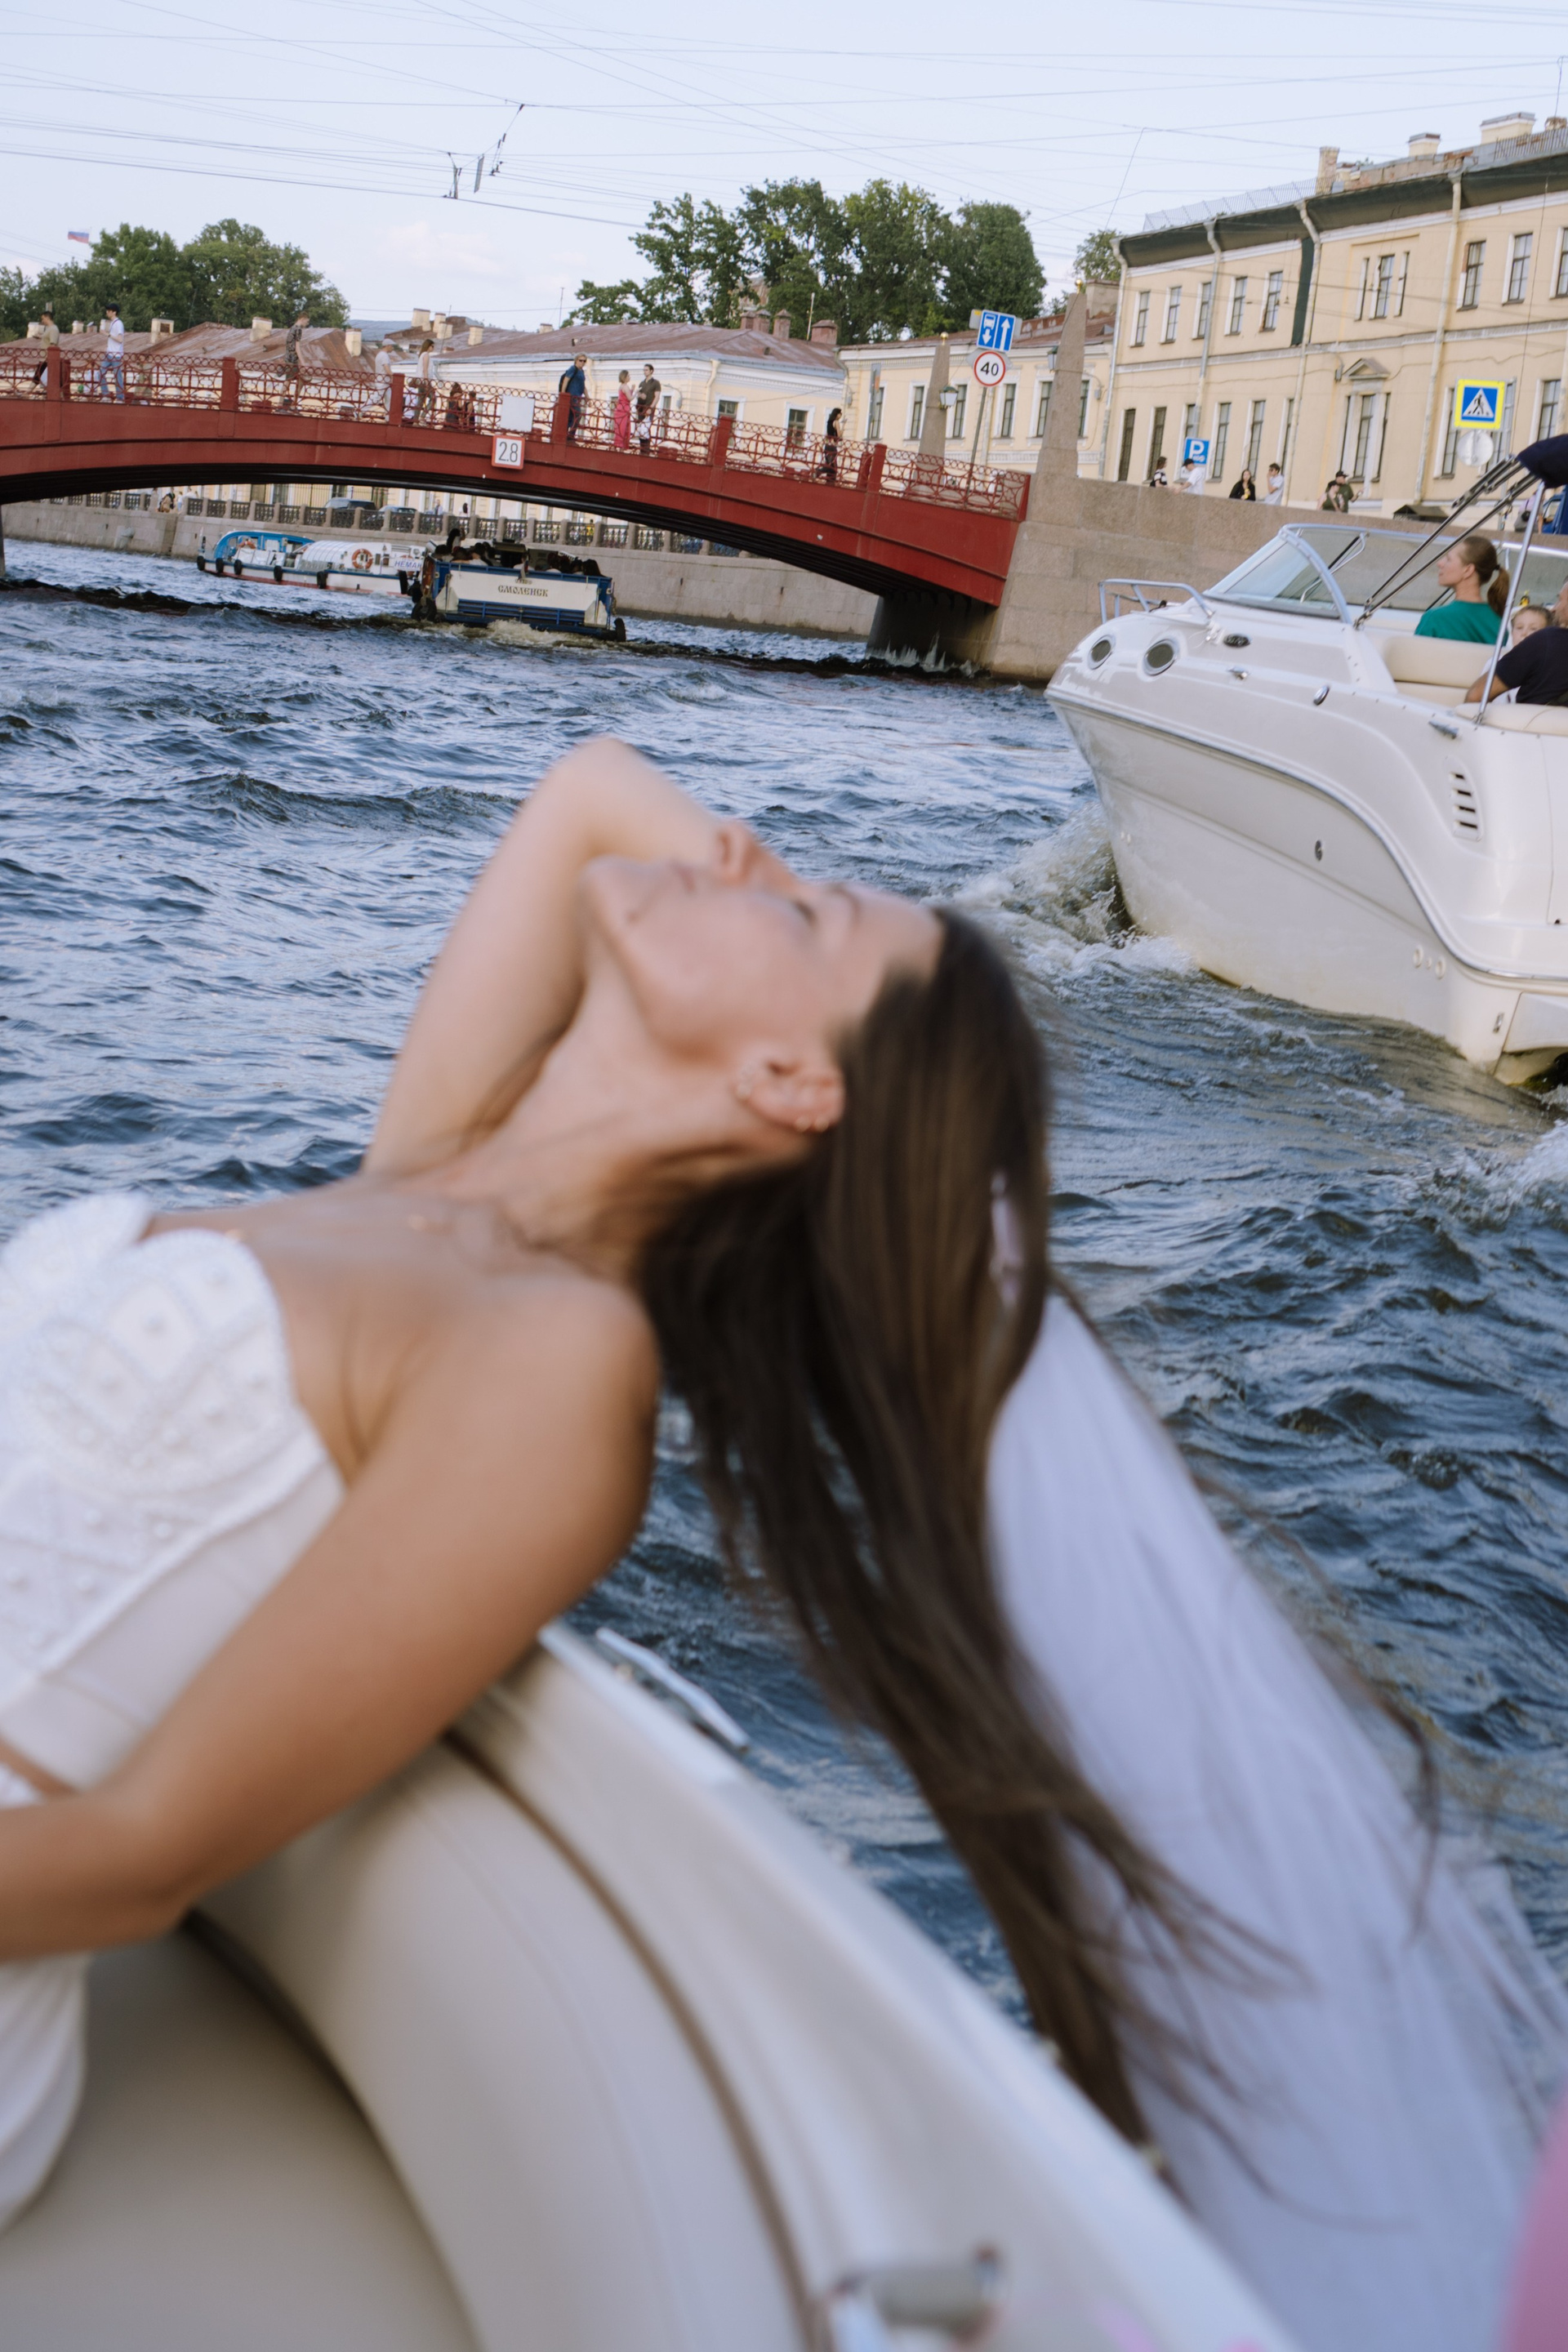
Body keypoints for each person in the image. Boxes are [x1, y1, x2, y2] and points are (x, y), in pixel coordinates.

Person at [0, 741, 1561, 2352]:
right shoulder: (422, 1178)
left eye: (807, 910)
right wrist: (795, 940)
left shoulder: (551, 1365)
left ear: (793, 1089)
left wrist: (828, 989)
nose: (739, 843)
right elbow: (593, 790)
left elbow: (144, 1855)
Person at [1465, 579, 1568, 703]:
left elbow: (1475, 696)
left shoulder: (1546, 640)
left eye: (1560, 600)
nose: (1554, 608)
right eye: (1519, 627)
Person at [1416, 532, 1508, 642]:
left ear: (1468, 570)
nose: (1440, 563)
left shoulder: (1434, 619)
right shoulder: (1499, 624)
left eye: (1448, 559)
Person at [282, 313, 309, 412]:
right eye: (307, 321)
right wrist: (303, 363)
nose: (307, 323)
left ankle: (281, 405)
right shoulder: (298, 329)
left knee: (288, 381)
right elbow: (298, 348)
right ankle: (292, 406)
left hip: (288, 359)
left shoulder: (292, 328)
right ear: (303, 318)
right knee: (299, 381)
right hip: (293, 360)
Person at [558, 352, 586, 443]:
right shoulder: (573, 369)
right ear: (576, 360)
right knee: (577, 414)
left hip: (577, 398)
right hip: (571, 397)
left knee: (571, 416)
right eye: (581, 360)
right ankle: (570, 435)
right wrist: (563, 394)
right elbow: (566, 381)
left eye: (584, 361)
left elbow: (583, 386)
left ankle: (567, 434)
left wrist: (587, 397)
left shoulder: (582, 372)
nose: (582, 362)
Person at [100, 305, 125, 404]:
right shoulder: (112, 323)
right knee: (100, 373)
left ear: (114, 312)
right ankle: (106, 395)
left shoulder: (119, 323)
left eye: (109, 311)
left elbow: (120, 339)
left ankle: (120, 398)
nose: (107, 312)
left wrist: (107, 334)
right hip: (109, 353)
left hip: (116, 355)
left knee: (117, 376)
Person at [634, 363, 660, 454]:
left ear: (651, 371)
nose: (645, 372)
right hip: (641, 408)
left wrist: (651, 408)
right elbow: (639, 394)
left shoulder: (655, 383)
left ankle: (646, 450)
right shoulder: (642, 383)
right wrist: (640, 395)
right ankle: (642, 450)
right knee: (640, 429)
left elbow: (657, 397)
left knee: (646, 428)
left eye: (646, 370)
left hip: (648, 408)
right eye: (644, 370)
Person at [821, 406, 842, 483]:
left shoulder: (829, 423)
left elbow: (827, 434)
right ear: (837, 414)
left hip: (827, 446)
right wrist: (843, 430)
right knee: (832, 467)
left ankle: (828, 481)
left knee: (829, 464)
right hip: (833, 446)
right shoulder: (836, 422)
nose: (840, 416)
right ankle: (818, 472)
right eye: (840, 414)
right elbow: (839, 435)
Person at [612, 369, 631, 452]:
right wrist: (636, 393)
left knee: (619, 427)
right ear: (625, 377)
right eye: (628, 376)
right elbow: (629, 398)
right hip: (624, 408)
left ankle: (616, 445)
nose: (630, 377)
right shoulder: (626, 387)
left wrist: (632, 390)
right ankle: (621, 446)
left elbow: (624, 396)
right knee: (623, 428)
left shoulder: (621, 386)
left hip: (620, 408)